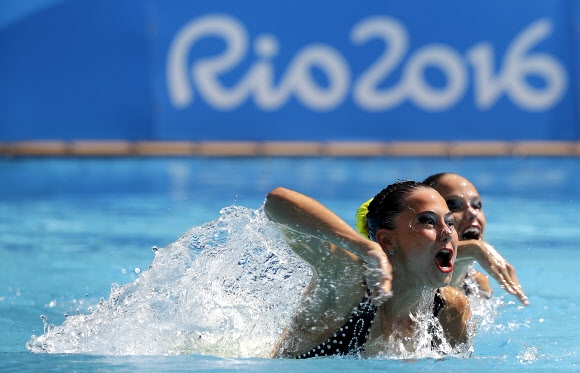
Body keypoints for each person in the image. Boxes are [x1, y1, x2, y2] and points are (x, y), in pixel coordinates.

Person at [264, 181, 471, 358]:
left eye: (450, 222)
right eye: (428, 221)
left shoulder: (450, 308)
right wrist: (364, 247)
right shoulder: (351, 284)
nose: (446, 232)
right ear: (387, 240)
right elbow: (277, 201)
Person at [422, 173, 529, 305]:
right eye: (454, 205)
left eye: (477, 205)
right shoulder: (407, 277)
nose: (472, 213)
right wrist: (474, 248)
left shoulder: (478, 285)